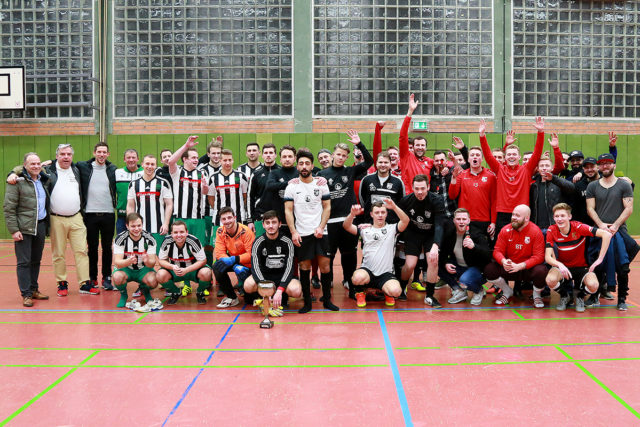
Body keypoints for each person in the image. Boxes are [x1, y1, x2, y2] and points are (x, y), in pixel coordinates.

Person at [8, 144, 97, 297]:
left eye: (69, 154)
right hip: (56, 218)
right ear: (56, 156)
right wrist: (12, 172)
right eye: (62, 154)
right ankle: (61, 283)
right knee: (58, 253)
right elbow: (28, 167)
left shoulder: (77, 169)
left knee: (82, 251)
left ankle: (84, 283)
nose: (66, 157)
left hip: (76, 217)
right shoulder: (47, 171)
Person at [317, 129, 373, 294]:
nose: (341, 157)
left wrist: (359, 144)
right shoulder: (321, 175)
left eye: (344, 155)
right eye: (338, 154)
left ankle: (350, 282)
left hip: (348, 221)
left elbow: (369, 162)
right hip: (330, 222)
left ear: (347, 157)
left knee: (349, 254)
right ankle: (328, 286)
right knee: (329, 256)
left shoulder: (350, 171)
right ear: (333, 155)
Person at [285, 150, 339, 313]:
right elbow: (288, 211)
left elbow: (327, 207)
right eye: (301, 163)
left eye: (307, 163)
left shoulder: (321, 184)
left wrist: (321, 227)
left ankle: (327, 300)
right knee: (304, 266)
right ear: (297, 166)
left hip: (321, 232)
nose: (304, 166)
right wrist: (294, 232)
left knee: (325, 266)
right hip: (302, 233)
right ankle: (307, 303)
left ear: (312, 166)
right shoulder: (292, 186)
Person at [586, 153, 637, 311]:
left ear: (614, 165)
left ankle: (621, 299)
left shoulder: (624, 185)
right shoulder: (592, 186)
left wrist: (614, 226)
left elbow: (628, 208)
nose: (605, 166)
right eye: (601, 164)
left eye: (608, 163)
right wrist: (601, 225)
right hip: (600, 232)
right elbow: (590, 208)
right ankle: (595, 296)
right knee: (597, 264)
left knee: (622, 266)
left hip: (618, 231)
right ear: (599, 167)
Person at [479, 117, 545, 232]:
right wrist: (482, 135)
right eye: (509, 154)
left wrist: (540, 132)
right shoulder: (499, 169)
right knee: (502, 243)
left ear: (519, 157)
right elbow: (488, 155)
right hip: (503, 213)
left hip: (522, 212)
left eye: (514, 154)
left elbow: (537, 152)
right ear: (505, 157)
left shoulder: (527, 169)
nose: (511, 156)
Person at [544, 203, 612, 312]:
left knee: (593, 285)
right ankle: (565, 296)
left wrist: (599, 259)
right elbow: (547, 257)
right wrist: (560, 264)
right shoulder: (551, 230)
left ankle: (580, 296)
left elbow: (607, 235)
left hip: (581, 267)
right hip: (563, 268)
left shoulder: (578, 227)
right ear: (553, 218)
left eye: (562, 216)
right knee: (550, 280)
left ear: (569, 217)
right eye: (557, 216)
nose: (559, 219)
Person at [4, 152, 51, 307]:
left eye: (38, 163)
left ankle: (34, 289)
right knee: (24, 262)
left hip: (40, 225)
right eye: (32, 164)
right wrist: (14, 230)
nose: (36, 166)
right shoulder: (16, 181)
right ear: (25, 166)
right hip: (23, 228)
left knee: (36, 261)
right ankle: (26, 294)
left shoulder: (44, 179)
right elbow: (9, 208)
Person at [344, 199, 409, 308]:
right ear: (371, 214)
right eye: (377, 212)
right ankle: (360, 293)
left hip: (385, 274)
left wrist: (394, 207)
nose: (380, 215)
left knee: (396, 291)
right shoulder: (365, 230)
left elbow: (405, 220)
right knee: (356, 278)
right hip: (368, 272)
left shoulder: (392, 229)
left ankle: (388, 293)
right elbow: (346, 226)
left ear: (386, 214)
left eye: (383, 212)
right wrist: (351, 214)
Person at [484, 205, 547, 305]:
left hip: (526, 269)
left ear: (527, 218)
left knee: (542, 271)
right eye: (513, 214)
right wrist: (504, 261)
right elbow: (497, 251)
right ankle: (507, 291)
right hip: (510, 267)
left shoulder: (536, 231)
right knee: (489, 270)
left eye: (517, 215)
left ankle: (537, 295)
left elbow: (539, 256)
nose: (513, 217)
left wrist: (522, 265)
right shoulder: (505, 230)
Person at [398, 174, 445, 307]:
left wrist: (436, 245)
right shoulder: (406, 200)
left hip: (431, 234)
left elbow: (440, 224)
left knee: (433, 260)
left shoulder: (436, 200)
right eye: (417, 188)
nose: (420, 192)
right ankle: (402, 288)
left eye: (423, 188)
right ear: (412, 188)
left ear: (428, 187)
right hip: (413, 234)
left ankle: (429, 296)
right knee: (410, 264)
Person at [76, 142, 117, 290]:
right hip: (90, 214)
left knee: (107, 248)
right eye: (99, 152)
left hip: (108, 214)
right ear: (94, 153)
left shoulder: (113, 169)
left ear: (108, 154)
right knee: (92, 248)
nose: (101, 154)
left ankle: (107, 277)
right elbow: (62, 164)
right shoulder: (83, 167)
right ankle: (92, 278)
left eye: (104, 152)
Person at [244, 210, 301, 315]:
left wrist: (280, 290)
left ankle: (282, 296)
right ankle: (263, 298)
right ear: (263, 225)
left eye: (274, 222)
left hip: (281, 277)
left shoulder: (287, 242)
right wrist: (265, 291)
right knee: (248, 285)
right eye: (267, 223)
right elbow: (255, 267)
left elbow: (289, 268)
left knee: (296, 290)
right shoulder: (258, 242)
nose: (271, 226)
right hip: (265, 277)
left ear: (279, 224)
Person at [439, 208, 493, 305]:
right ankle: (459, 290)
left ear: (468, 220)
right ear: (454, 220)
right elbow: (442, 253)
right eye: (458, 219)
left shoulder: (476, 234)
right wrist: (446, 263)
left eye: (464, 219)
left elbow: (488, 255)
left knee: (465, 280)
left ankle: (478, 290)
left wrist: (474, 247)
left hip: (476, 269)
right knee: (435, 264)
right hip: (459, 266)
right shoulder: (450, 233)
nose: (461, 222)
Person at [112, 213, 162, 312]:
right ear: (127, 226)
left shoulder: (149, 239)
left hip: (143, 269)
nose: (136, 229)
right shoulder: (120, 239)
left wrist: (147, 260)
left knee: (153, 281)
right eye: (133, 226)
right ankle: (123, 295)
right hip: (126, 268)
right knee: (117, 277)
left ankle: (146, 291)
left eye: (139, 225)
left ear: (142, 225)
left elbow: (152, 263)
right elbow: (117, 262)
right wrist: (128, 261)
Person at [157, 220, 212, 305]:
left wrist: (186, 270)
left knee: (207, 273)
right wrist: (172, 267)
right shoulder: (167, 241)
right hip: (175, 270)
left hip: (192, 270)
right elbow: (161, 260)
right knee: (160, 275)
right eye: (175, 232)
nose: (179, 235)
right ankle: (175, 292)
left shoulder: (193, 241)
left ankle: (200, 292)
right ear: (171, 233)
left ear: (187, 232)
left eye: (182, 232)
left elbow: (203, 260)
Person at [448, 146, 497, 239]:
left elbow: (494, 201)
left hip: (484, 221)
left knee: (481, 250)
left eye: (478, 155)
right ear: (469, 159)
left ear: (482, 159)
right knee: (466, 250)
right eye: (472, 155)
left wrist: (493, 222)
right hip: (465, 221)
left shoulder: (491, 176)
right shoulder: (461, 175)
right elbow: (452, 195)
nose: (475, 157)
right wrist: (454, 178)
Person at [126, 154, 173, 249]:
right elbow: (130, 206)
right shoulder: (134, 184)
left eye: (152, 164)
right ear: (142, 164)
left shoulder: (163, 183)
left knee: (162, 257)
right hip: (140, 228)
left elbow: (169, 204)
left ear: (156, 166)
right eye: (147, 164)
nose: (150, 167)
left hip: (159, 228)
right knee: (142, 258)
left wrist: (166, 223)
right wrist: (131, 224)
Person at [213, 207, 255, 308]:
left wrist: (235, 260)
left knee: (250, 301)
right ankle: (232, 297)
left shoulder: (246, 231)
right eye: (224, 219)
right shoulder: (220, 231)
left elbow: (251, 254)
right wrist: (234, 264)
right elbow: (219, 253)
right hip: (234, 261)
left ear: (235, 217)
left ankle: (247, 288)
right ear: (221, 220)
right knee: (217, 266)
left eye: (229, 218)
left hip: (248, 264)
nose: (227, 221)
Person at [398, 94, 434, 193]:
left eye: (422, 145)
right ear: (412, 147)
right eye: (417, 145)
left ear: (426, 148)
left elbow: (445, 165)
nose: (420, 147)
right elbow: (402, 137)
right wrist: (410, 112)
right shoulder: (407, 157)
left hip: (425, 199)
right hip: (409, 198)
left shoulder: (430, 162)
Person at [529, 156, 575, 231]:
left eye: (547, 165)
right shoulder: (533, 185)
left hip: (554, 226)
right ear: (538, 168)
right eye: (541, 166)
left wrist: (553, 178)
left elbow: (571, 188)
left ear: (552, 168)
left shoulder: (557, 182)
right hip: (536, 227)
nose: (544, 168)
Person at [358, 151, 405, 223]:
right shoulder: (366, 180)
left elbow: (401, 203)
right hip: (371, 223)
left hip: (391, 225)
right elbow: (363, 201)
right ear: (376, 163)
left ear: (390, 164)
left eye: (386, 162)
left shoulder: (398, 182)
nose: (383, 165)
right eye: (380, 162)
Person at [207, 149, 249, 228]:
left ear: (233, 160)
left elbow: (245, 196)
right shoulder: (213, 177)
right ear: (220, 161)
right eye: (225, 160)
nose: (227, 163)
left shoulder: (241, 176)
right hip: (219, 220)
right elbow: (211, 198)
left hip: (239, 218)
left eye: (230, 160)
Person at [247, 143, 280, 236]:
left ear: (275, 155)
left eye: (271, 152)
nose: (268, 155)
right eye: (266, 153)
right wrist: (250, 220)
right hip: (260, 217)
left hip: (278, 218)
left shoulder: (281, 172)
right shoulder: (256, 174)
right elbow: (250, 197)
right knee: (260, 247)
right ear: (262, 155)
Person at [264, 145, 299, 228]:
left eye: (290, 156)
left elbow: (313, 178)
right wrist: (288, 183)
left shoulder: (300, 173)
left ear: (295, 158)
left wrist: (321, 178)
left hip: (298, 222)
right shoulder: (275, 173)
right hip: (280, 223)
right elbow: (269, 186)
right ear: (280, 159)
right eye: (284, 157)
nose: (287, 159)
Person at [115, 149, 143, 234]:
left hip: (141, 215)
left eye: (133, 157)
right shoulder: (118, 172)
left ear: (138, 159)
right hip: (122, 216)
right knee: (122, 243)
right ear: (124, 159)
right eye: (128, 157)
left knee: (141, 244)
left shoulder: (144, 172)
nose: (131, 160)